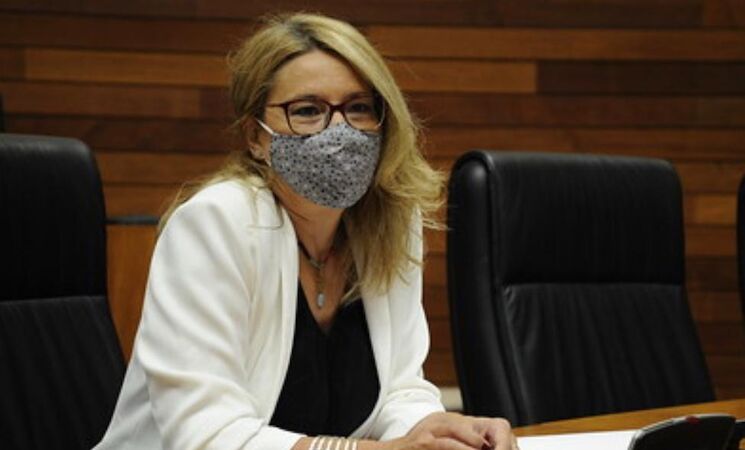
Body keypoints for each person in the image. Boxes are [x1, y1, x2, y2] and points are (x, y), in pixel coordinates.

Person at [95, 12, 517, 450]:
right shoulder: (214, 224)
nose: (339, 131)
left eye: (358, 108)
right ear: (255, 136)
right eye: (307, 111)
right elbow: (206, 434)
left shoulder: (390, 222)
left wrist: (439, 430)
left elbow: (399, 390)